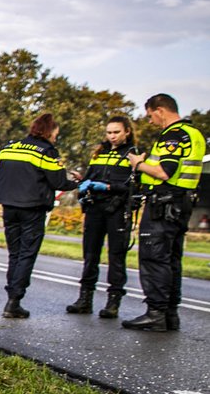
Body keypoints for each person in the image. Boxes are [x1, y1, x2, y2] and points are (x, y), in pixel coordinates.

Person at [122, 94, 206, 331]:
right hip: (181, 204)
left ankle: (156, 313)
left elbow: (164, 171)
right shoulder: (195, 134)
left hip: (164, 204)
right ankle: (170, 313)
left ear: (160, 110)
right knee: (171, 259)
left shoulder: (173, 134)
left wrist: (138, 163)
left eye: (150, 115)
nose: (150, 121)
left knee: (154, 257)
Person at [0, 113, 78, 318]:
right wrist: (78, 182)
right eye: (55, 134)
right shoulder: (46, 152)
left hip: (8, 206)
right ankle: (14, 301)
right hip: (32, 209)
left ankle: (11, 297)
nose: (55, 138)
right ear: (49, 132)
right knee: (26, 254)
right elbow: (59, 182)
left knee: (14, 254)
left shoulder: (9, 148)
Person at [66, 116, 139, 318]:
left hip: (117, 210)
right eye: (109, 132)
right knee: (90, 255)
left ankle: (113, 302)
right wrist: (83, 181)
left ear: (127, 132)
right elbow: (91, 177)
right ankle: (84, 299)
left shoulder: (133, 155)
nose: (112, 136)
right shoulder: (99, 153)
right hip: (95, 209)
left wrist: (108, 187)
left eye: (116, 132)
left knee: (116, 257)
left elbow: (133, 185)